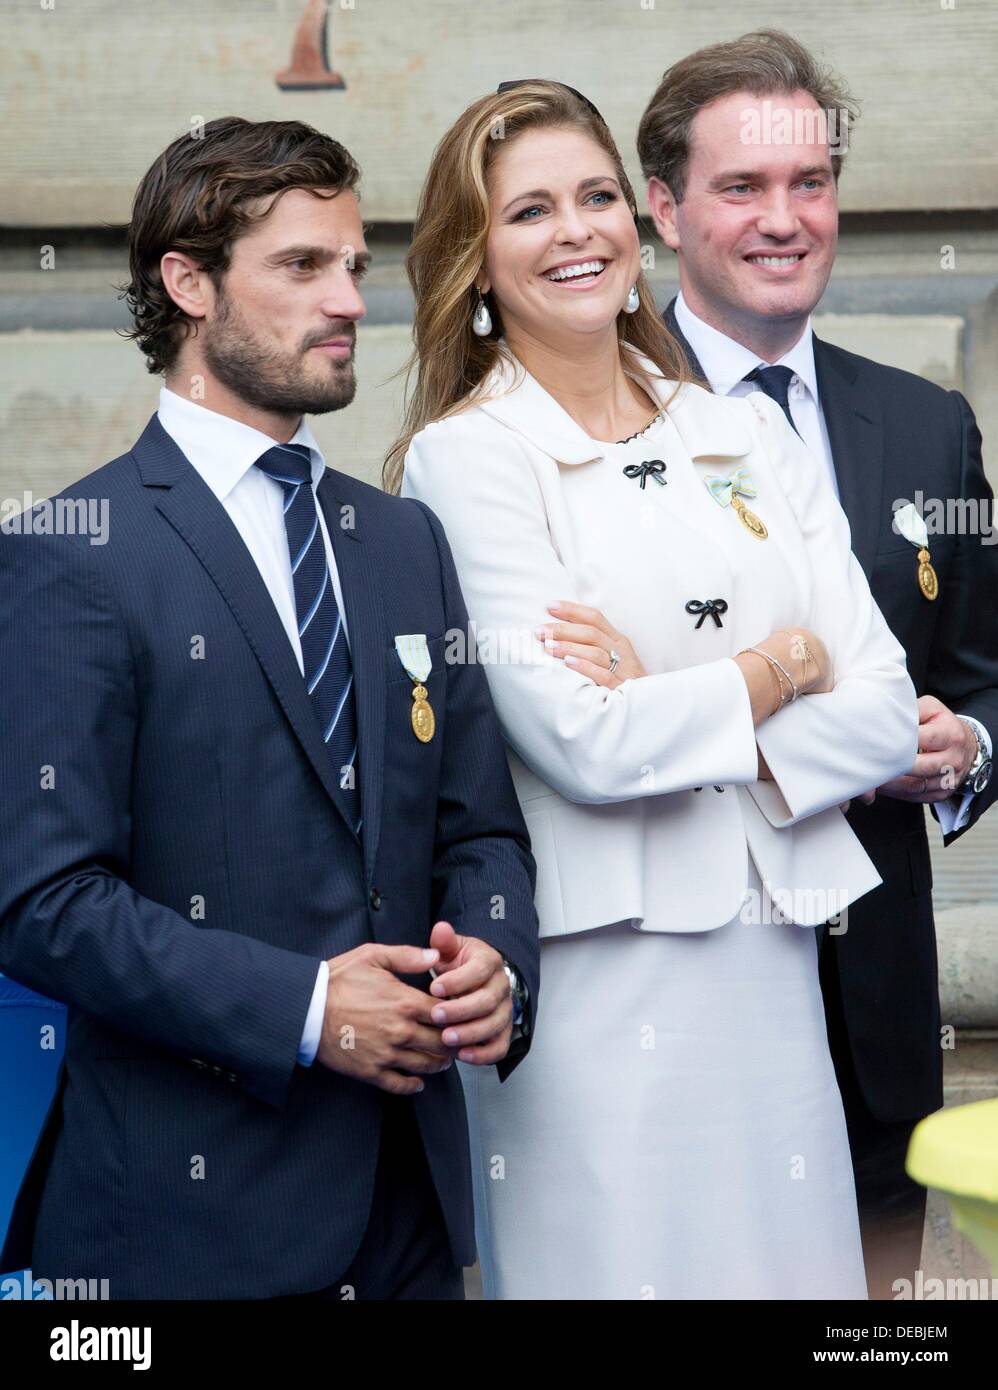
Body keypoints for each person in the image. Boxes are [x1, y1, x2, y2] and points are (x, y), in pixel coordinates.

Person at [388, 79, 918, 1299]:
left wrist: (687, 696)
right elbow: (585, 742)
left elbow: (884, 702)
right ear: (474, 262)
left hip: (767, 958)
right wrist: (776, 666)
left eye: (594, 197)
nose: (573, 230)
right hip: (594, 979)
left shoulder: (735, 427)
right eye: (526, 211)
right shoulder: (465, 459)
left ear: (638, 221)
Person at [0, 117, 539, 1301]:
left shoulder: (403, 541)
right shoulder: (69, 554)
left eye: (353, 264)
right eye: (302, 267)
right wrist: (304, 1008)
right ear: (187, 284)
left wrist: (496, 957)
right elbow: (43, 902)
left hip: (413, 1217)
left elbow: (480, 829)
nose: (348, 298)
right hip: (184, 1237)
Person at [636, 28, 998, 1297]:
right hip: (669, 1018)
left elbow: (981, 668)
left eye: (810, 184)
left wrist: (965, 750)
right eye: (741, 188)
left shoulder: (920, 423)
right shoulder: (579, 420)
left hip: (878, 1028)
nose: (784, 220)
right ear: (663, 207)